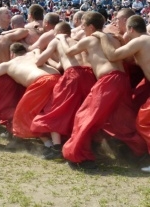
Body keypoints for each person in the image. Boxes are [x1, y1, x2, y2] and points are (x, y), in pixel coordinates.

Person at [58, 11, 147, 169]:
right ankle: (139, 154)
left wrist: (62, 38)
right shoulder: (113, 39)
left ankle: (79, 156)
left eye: (84, 25)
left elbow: (68, 52)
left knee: (85, 115)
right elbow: (126, 59)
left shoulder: (90, 39)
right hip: (122, 80)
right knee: (123, 121)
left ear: (91, 27)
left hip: (109, 81)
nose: (82, 28)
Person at [93, 15, 150, 172]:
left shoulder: (140, 41)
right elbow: (133, 60)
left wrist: (102, 36)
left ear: (131, 29)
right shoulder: (145, 41)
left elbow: (113, 55)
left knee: (143, 123)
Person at [31, 22, 96, 159]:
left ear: (57, 32)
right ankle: (84, 144)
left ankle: (56, 147)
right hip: (89, 76)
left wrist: (38, 53)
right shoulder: (78, 41)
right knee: (82, 111)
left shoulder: (57, 40)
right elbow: (61, 64)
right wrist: (50, 60)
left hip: (72, 76)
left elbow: (38, 62)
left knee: (55, 109)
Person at [0, 43, 60, 139]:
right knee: (52, 112)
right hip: (58, 78)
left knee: (24, 114)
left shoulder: (8, 64)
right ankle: (56, 143)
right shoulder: (33, 53)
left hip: (41, 82)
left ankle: (47, 143)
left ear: (11, 53)